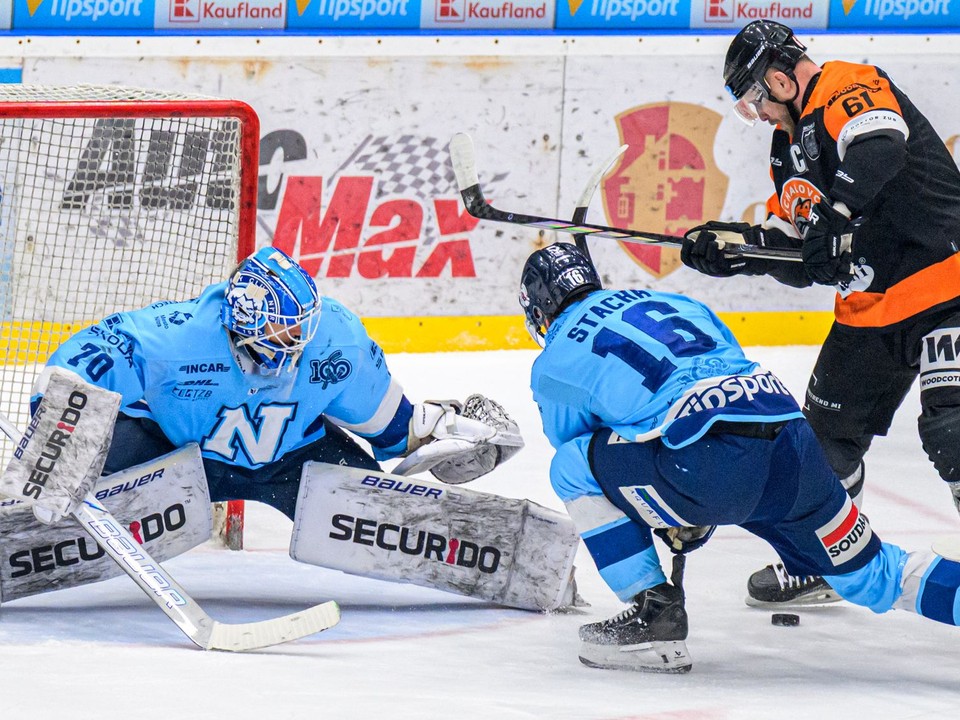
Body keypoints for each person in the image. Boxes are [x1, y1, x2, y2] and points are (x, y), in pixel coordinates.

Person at [520, 241, 960, 673]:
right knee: (872, 575)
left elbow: (585, 449)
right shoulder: (674, 301)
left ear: (539, 311)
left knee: (573, 466)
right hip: (792, 446)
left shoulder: (554, 359)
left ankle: (652, 612)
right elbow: (725, 374)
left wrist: (681, 506)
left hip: (706, 466)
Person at [680, 19, 960, 607]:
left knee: (954, 429)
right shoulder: (787, 150)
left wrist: (838, 208)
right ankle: (831, 561)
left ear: (779, 80)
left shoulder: (847, 84)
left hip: (948, 288)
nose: (755, 115)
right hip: (870, 310)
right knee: (820, 449)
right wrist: (736, 251)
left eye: (753, 100)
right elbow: (803, 251)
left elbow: (881, 147)